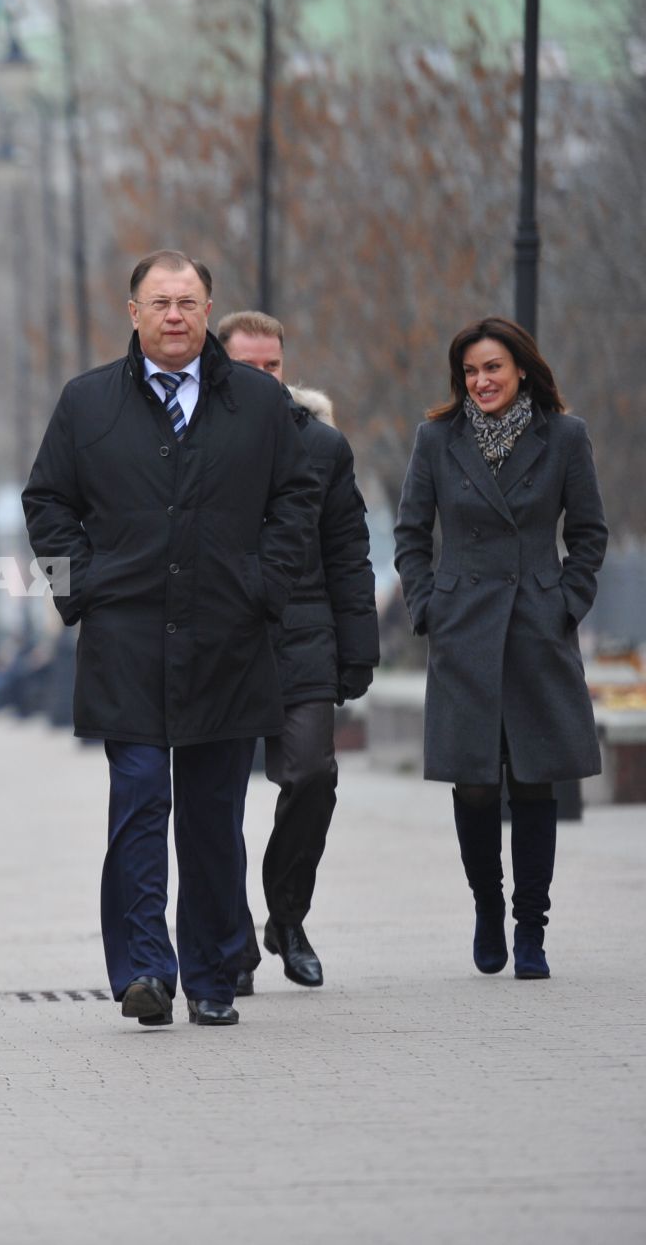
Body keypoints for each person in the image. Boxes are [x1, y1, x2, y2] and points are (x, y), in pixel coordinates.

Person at [23, 251, 316, 1029]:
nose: (176, 315)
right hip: (127, 640)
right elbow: (46, 501)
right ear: (133, 312)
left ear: (210, 307)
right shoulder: (88, 404)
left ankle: (215, 972)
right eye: (161, 302)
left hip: (227, 640)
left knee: (214, 818)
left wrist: (267, 584)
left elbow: (297, 498)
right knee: (140, 803)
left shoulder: (256, 402)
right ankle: (146, 969)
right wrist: (78, 584)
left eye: (189, 302)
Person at [394, 317, 605, 980]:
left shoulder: (564, 436)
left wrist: (564, 602)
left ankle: (531, 930)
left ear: (520, 370)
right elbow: (409, 535)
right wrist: (429, 606)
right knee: (477, 785)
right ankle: (489, 907)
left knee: (534, 779)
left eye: (493, 368)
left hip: (537, 628)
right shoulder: (437, 439)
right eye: (470, 372)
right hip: (464, 630)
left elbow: (590, 533)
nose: (481, 381)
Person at [215, 310, 379, 993]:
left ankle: (287, 915)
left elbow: (349, 552)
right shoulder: (193, 438)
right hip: (220, 638)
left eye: (272, 367)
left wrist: (358, 646)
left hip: (304, 632)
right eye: (247, 367)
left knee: (311, 775)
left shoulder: (322, 447)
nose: (262, 378)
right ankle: (226, 939)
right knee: (213, 798)